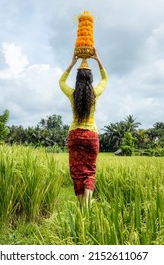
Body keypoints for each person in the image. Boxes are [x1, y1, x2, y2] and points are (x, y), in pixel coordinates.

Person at [59, 48, 108, 208]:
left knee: (77, 171)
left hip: (75, 135)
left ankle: (82, 208)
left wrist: (72, 63)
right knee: (89, 171)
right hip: (91, 136)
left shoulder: (72, 94)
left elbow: (61, 82)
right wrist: (97, 59)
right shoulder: (95, 94)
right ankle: (87, 207)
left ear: (77, 79)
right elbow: (105, 79)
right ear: (90, 79)